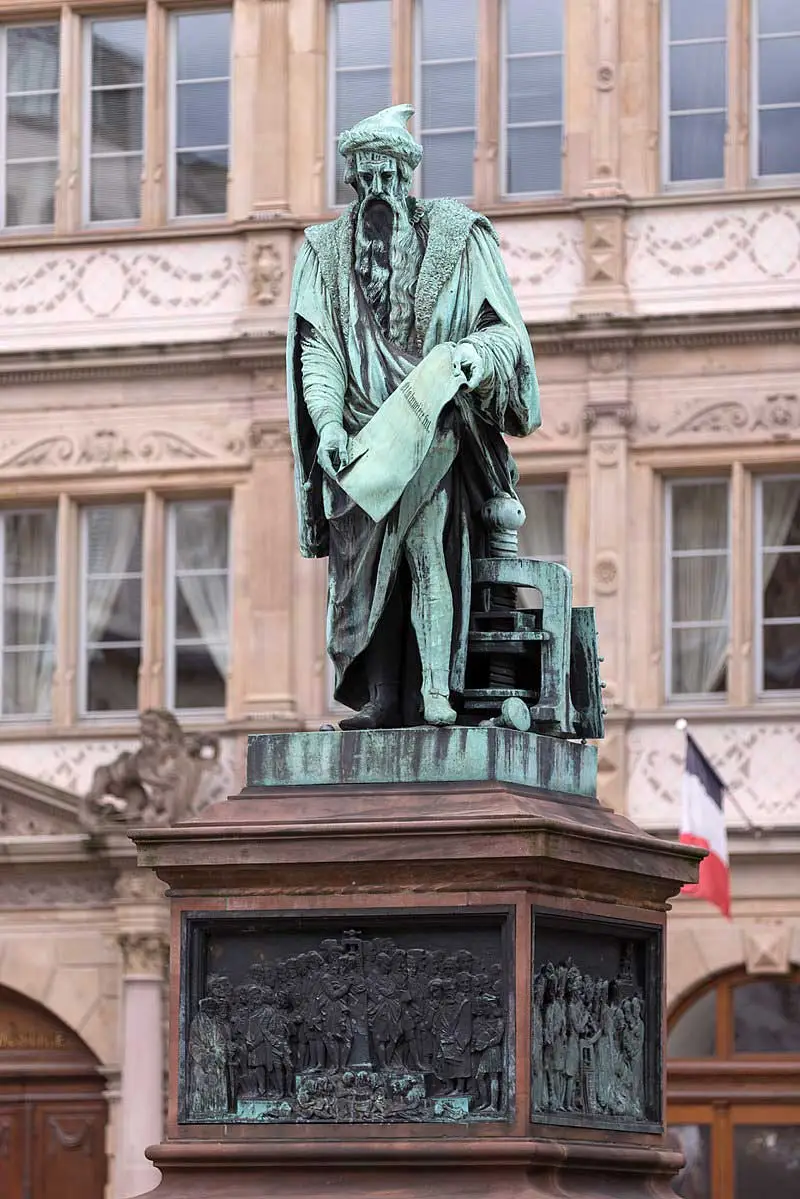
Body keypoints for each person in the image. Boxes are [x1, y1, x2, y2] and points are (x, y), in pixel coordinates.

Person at [287, 104, 539, 729]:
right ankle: (382, 697)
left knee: (427, 551)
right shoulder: (323, 252)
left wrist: (469, 359)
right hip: (361, 444)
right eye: (364, 179)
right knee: (365, 577)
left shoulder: (460, 235)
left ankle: (433, 691)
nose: (377, 194)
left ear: (407, 177)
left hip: (434, 429)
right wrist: (328, 426)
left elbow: (504, 333)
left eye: (388, 178)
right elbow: (319, 350)